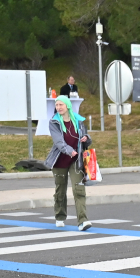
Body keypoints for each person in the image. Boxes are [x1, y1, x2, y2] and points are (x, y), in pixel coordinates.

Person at [46, 95, 93, 230]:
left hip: (76, 160)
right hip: (60, 160)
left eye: (61, 105)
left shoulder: (78, 121)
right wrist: (69, 150)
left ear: (67, 106)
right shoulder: (54, 122)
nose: (59, 107)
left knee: (79, 190)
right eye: (57, 105)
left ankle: (83, 221)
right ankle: (60, 216)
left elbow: (88, 139)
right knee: (60, 190)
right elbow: (58, 141)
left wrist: (86, 138)